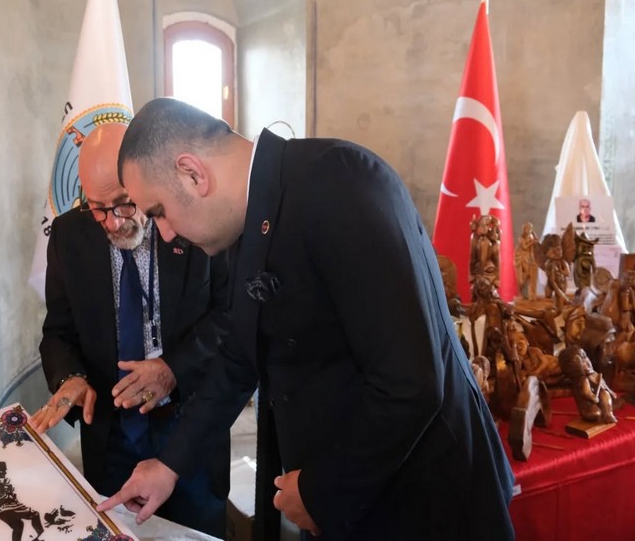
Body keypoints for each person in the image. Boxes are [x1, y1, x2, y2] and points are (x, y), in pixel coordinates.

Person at [100, 98, 515, 540]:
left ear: (192, 173)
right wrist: (170, 464)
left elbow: (411, 382)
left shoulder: (341, 182)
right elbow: (240, 356)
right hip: (344, 496)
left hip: (424, 500)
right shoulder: (245, 220)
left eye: (159, 212)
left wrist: (322, 492)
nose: (165, 233)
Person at [29, 122, 231, 537]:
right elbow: (58, 331)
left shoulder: (192, 220)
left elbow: (229, 315)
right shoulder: (69, 235)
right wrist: (70, 378)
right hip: (112, 434)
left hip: (189, 423)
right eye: (96, 207)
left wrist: (173, 368)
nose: (110, 222)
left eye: (123, 204)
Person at [0, 461, 45, 541]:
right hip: (5, 507)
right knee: (34, 514)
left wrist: (6, 487)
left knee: (18, 525)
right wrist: (8, 492)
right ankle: (40, 536)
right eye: (4, 471)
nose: (5, 473)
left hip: (1, 510)